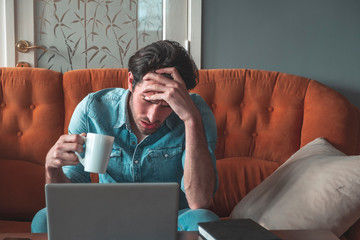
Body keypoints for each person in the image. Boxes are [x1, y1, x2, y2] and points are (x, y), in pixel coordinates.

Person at [31, 40, 219, 232]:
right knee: (44, 219)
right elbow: (68, 202)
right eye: (147, 99)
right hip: (105, 217)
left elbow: (200, 201)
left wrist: (190, 119)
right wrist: (51, 169)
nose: (153, 116)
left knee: (204, 220)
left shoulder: (196, 113)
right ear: (131, 81)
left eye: (166, 105)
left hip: (172, 221)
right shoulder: (93, 110)